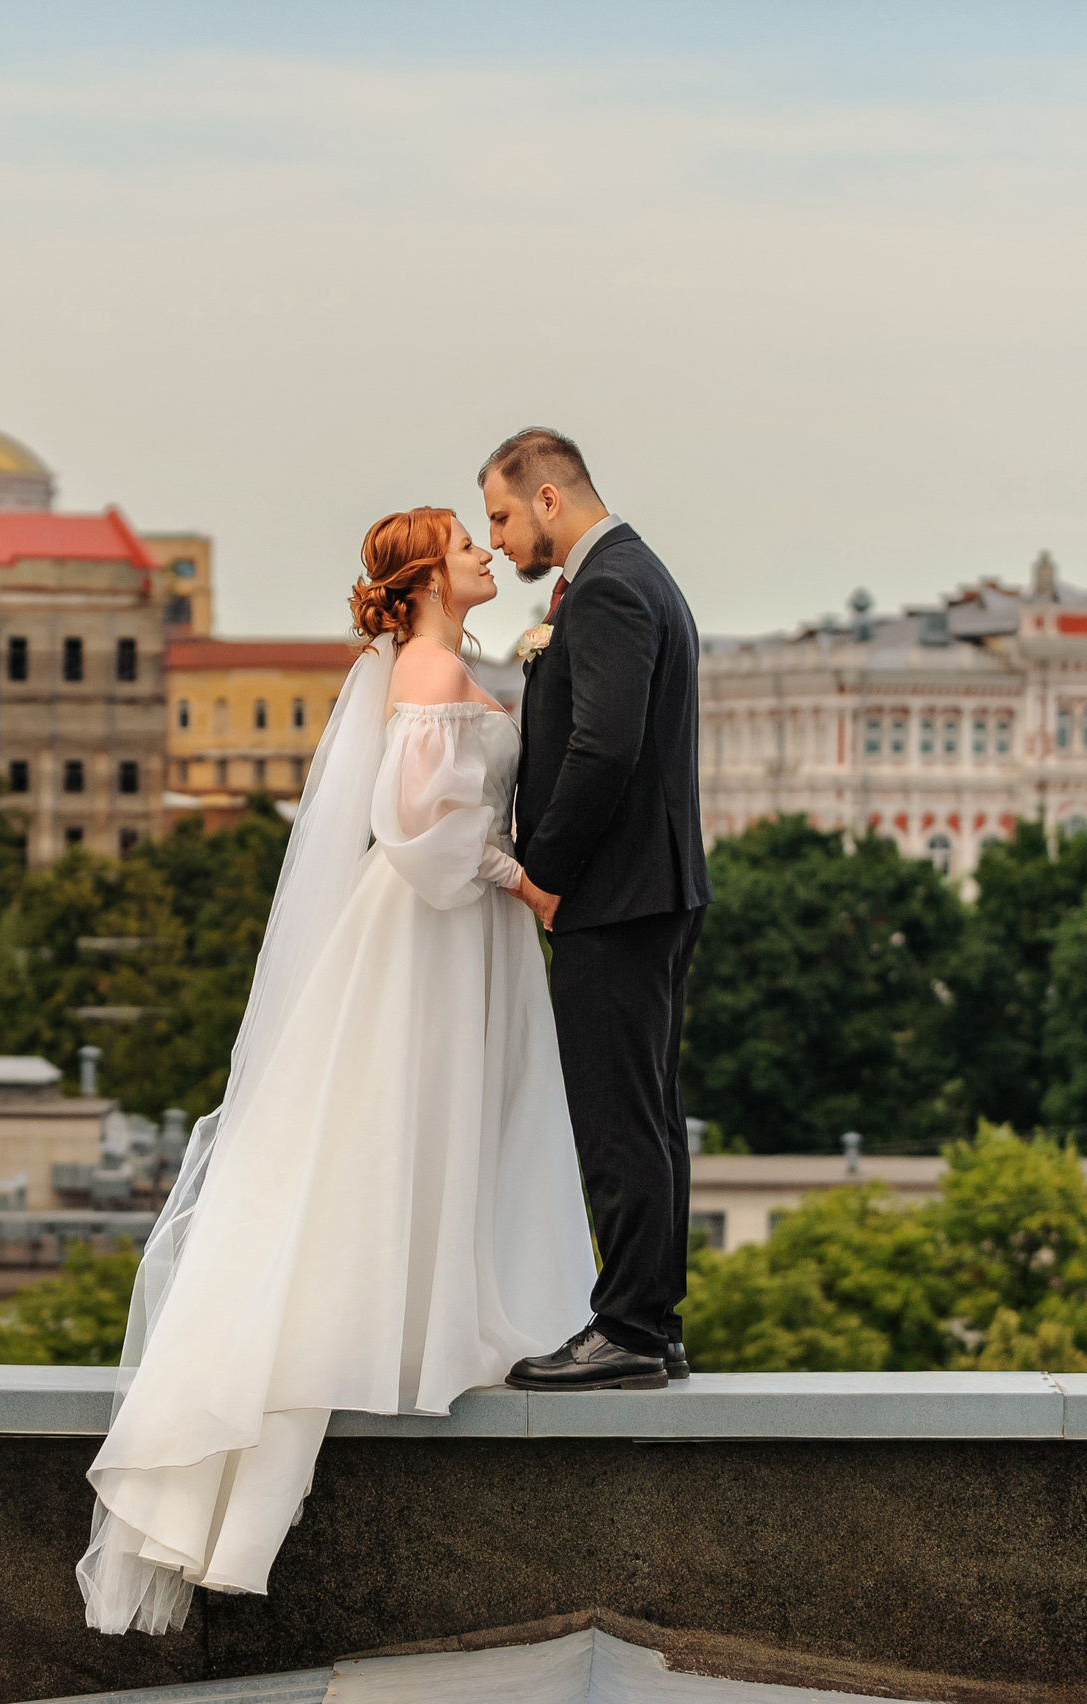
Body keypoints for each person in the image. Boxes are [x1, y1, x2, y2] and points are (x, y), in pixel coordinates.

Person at [77, 507, 595, 1636]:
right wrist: (521, 881)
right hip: (432, 929)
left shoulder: (441, 659)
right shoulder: (425, 664)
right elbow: (413, 827)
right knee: (399, 1128)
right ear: (423, 577)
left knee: (415, 1129)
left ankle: (427, 1322)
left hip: (452, 932)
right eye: (465, 543)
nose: (485, 553)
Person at [481, 427, 711, 1394]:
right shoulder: (634, 572)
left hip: (613, 897)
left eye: (500, 515)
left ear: (547, 499)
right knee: (649, 1111)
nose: (495, 540)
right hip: (650, 890)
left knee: (619, 1118)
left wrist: (544, 872)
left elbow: (603, 749)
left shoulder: (611, 585)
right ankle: (651, 1324)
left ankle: (626, 1328)